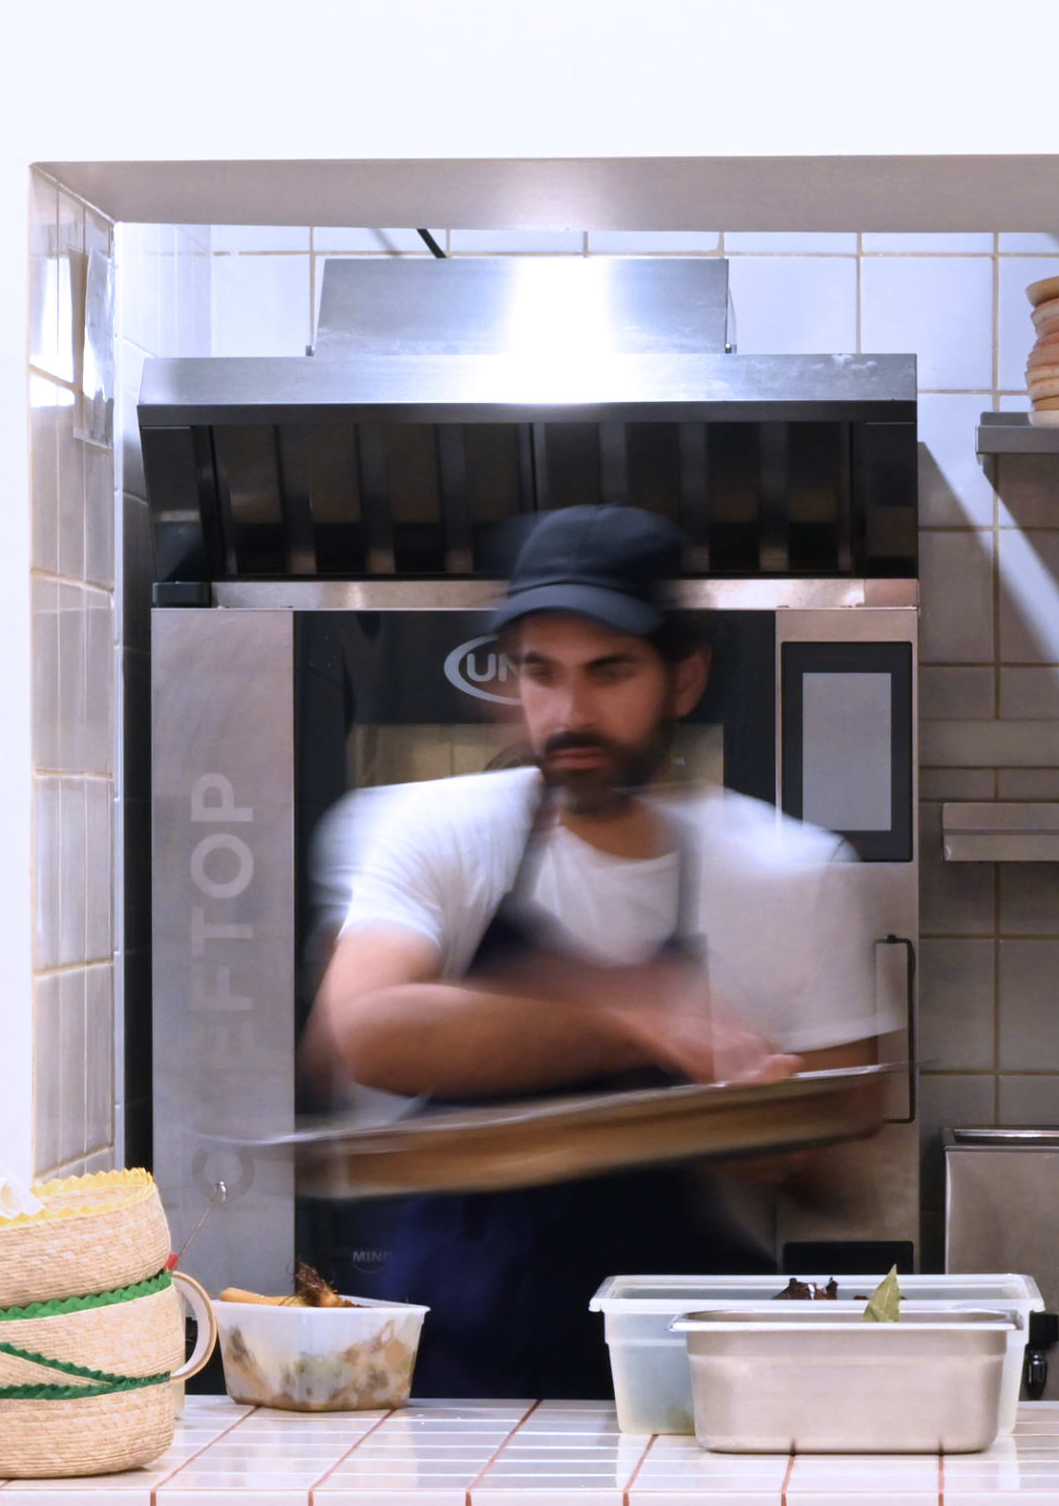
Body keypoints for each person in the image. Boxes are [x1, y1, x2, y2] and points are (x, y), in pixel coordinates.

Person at [302, 504, 891, 1399]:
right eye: (542, 673)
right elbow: (369, 1030)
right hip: (451, 1383)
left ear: (683, 678)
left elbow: (838, 1158)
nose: (570, 713)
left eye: (610, 672)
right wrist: (636, 1019)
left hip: (685, 1377)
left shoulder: (791, 873)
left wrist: (763, 1138)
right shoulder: (433, 831)